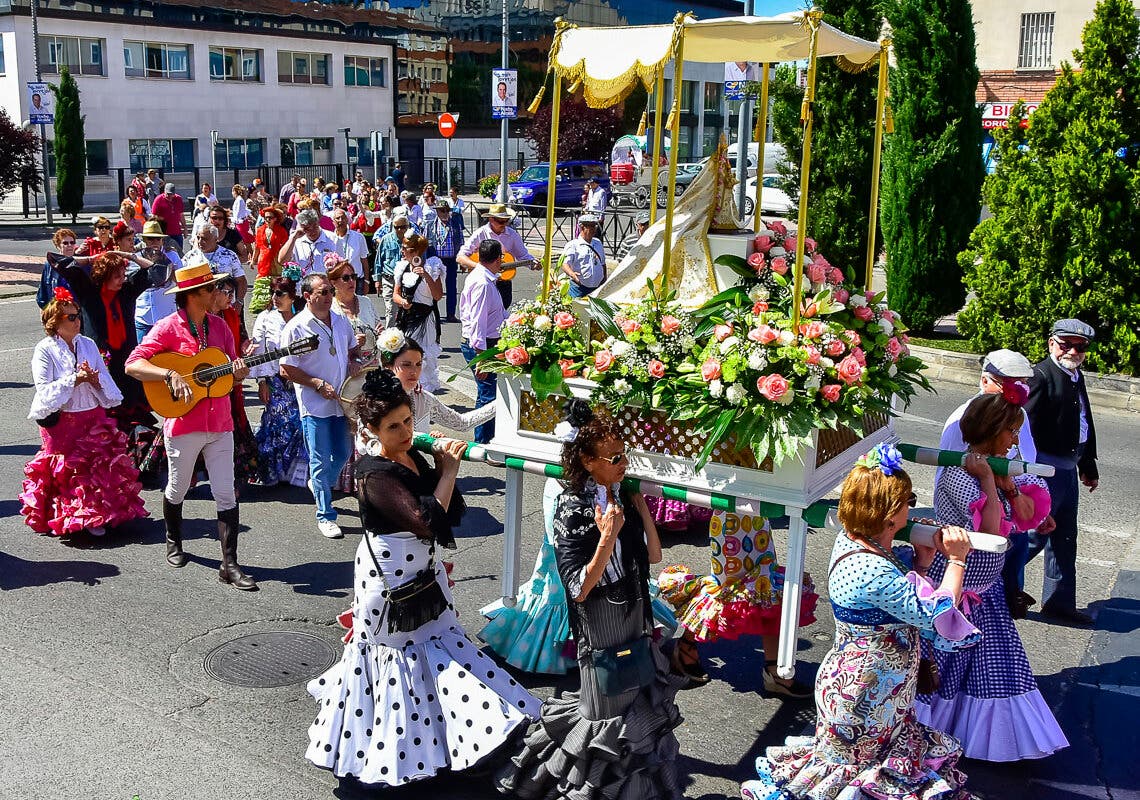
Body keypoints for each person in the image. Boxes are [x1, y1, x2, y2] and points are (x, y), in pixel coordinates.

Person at [305, 369, 537, 785]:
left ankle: (444, 740)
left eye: (408, 421)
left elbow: (454, 511)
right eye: (393, 426)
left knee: (439, 647)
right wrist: (448, 472)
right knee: (397, 659)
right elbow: (427, 522)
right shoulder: (373, 474)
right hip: (388, 579)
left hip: (424, 570)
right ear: (372, 430)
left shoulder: (413, 456)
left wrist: (439, 465)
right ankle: (393, 755)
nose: (405, 431)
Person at [740, 444, 979, 800]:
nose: (912, 507)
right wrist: (957, 561)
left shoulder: (858, 543)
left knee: (863, 780)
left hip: (877, 689)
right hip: (864, 695)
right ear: (888, 517)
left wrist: (923, 563)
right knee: (857, 782)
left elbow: (903, 601)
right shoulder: (872, 568)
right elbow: (937, 613)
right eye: (908, 500)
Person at [497, 400, 683, 798]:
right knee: (604, 707)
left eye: (624, 454)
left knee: (633, 697)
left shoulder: (618, 496)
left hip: (633, 612)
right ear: (586, 459)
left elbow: (653, 556)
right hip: (600, 619)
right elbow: (578, 587)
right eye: (614, 457)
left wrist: (641, 510)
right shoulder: (572, 505)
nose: (623, 463)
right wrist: (607, 537)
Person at [915, 392, 1068, 762]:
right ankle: (921, 735)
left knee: (999, 669)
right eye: (1012, 431)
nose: (1016, 440)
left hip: (987, 590)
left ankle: (981, 739)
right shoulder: (958, 473)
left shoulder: (1004, 465)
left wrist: (1009, 486)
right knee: (940, 672)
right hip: (952, 586)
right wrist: (988, 480)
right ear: (992, 429)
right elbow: (993, 534)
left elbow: (1031, 513)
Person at [125, 259, 256, 590]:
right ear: (195, 294)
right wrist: (168, 373)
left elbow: (231, 371)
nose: (219, 292)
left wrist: (240, 371)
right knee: (178, 488)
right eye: (213, 288)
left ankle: (230, 565)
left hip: (221, 423)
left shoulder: (221, 326)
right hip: (185, 424)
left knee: (226, 492)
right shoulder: (168, 327)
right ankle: (173, 540)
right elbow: (132, 364)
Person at [20, 288, 148, 538]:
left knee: (96, 469)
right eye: (70, 317)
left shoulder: (87, 344)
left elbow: (108, 385)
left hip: (92, 415)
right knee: (68, 471)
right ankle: (65, 516)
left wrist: (95, 380)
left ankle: (97, 515)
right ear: (54, 323)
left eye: (77, 315)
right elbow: (44, 391)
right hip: (63, 422)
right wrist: (75, 380)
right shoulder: (44, 350)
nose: (77, 321)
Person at [658, 509, 818, 695]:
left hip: (757, 515)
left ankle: (775, 671)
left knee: (766, 587)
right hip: (729, 519)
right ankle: (686, 643)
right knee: (726, 593)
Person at [937, 348, 1046, 619]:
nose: (1017, 392)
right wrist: (988, 478)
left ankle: (1013, 597)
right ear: (986, 381)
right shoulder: (963, 421)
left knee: (1012, 580)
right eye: (1009, 385)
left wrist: (1012, 488)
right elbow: (988, 531)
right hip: (967, 565)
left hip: (993, 563)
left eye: (1022, 385)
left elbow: (1026, 461)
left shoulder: (1015, 417)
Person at [1024, 319, 1100, 626]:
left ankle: (1059, 603)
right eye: (1065, 344)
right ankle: (990, 587)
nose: (1072, 351)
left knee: (1065, 538)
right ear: (1051, 344)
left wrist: (1088, 464)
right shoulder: (1041, 375)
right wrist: (1026, 472)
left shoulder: (1074, 376)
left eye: (1079, 347)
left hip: (1068, 468)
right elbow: (1022, 427)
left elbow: (1084, 421)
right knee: (1033, 536)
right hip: (1044, 468)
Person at [280, 273, 361, 539]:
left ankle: (320, 484)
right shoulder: (297, 326)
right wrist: (315, 383)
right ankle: (325, 515)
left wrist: (354, 362)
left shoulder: (339, 320)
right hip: (315, 404)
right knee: (318, 457)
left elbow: (350, 351)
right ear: (307, 296)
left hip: (340, 400)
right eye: (322, 292)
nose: (328, 297)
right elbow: (286, 368)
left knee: (342, 452)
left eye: (329, 292)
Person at [50, 251, 151, 431]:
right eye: (116, 276)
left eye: (123, 274)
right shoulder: (89, 292)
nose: (122, 279)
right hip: (99, 364)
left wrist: (130, 256)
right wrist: (91, 259)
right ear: (104, 275)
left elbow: (157, 269)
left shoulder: (127, 291)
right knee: (101, 426)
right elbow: (57, 260)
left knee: (129, 422)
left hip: (125, 364)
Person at [250, 270, 308, 487]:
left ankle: (291, 472)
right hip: (275, 380)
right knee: (277, 423)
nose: (275, 297)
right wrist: (262, 381)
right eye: (273, 292)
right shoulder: (265, 318)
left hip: (298, 381)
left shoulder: (302, 318)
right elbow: (260, 351)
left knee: (297, 424)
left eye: (281, 293)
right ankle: (271, 471)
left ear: (292, 296)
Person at [382, 333, 495, 435]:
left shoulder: (423, 398)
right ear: (388, 366)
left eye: (418, 364)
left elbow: (462, 423)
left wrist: (498, 405)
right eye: (406, 364)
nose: (414, 371)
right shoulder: (375, 401)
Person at [210, 275, 259, 489]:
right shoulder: (198, 316)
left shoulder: (232, 315)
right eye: (227, 293)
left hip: (229, 383)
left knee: (231, 431)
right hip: (203, 384)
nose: (233, 298)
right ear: (214, 293)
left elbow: (242, 339)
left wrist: (246, 349)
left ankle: (233, 481)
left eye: (234, 293)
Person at [458, 239, 506, 444]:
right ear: (497, 260)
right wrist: (482, 358)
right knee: (488, 395)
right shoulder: (482, 283)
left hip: (486, 344)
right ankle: (483, 442)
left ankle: (484, 439)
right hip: (482, 345)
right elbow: (478, 321)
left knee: (486, 392)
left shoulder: (483, 277)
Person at [391, 234, 444, 392]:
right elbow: (395, 294)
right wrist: (402, 302)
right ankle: (408, 389)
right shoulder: (401, 267)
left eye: (405, 249)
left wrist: (425, 275)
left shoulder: (432, 266)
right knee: (405, 354)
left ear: (415, 252)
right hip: (407, 318)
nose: (402, 251)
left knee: (424, 355)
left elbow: (438, 296)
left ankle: (424, 392)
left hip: (426, 320)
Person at [457, 203, 532, 310]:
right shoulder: (480, 233)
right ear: (491, 219)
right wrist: (480, 267)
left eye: (506, 221)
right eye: (500, 221)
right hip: (483, 282)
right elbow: (460, 257)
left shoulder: (512, 235)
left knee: (500, 314)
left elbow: (523, 255)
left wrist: (533, 264)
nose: (504, 224)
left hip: (503, 283)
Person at [129, 220, 182, 342]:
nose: (155, 242)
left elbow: (181, 280)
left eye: (158, 239)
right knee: (143, 354)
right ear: (144, 240)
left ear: (162, 240)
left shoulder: (172, 255)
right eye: (150, 239)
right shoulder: (136, 257)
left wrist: (167, 267)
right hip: (143, 316)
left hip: (167, 316)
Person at [422, 198, 465, 322]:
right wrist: (424, 261)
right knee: (433, 287)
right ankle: (434, 314)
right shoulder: (430, 225)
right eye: (442, 211)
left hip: (451, 260)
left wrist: (462, 261)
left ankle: (450, 314)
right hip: (435, 260)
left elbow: (461, 243)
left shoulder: (455, 225)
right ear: (437, 212)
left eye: (446, 211)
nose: (445, 213)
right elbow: (424, 244)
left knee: (452, 288)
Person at [184, 223, 247, 305]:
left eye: (204, 239)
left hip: (224, 306)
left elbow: (241, 280)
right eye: (198, 238)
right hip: (199, 306)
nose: (200, 242)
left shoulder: (229, 255)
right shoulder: (190, 256)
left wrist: (239, 302)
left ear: (216, 239)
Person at [249, 204, 291, 313]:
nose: (268, 220)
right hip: (263, 260)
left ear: (275, 219)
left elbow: (286, 247)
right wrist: (253, 260)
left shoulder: (281, 230)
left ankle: (277, 305)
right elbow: (257, 247)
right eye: (266, 217)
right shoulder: (260, 230)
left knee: (277, 283)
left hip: (276, 261)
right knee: (264, 283)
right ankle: (264, 308)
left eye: (270, 217)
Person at [372, 211, 412, 324]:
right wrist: (377, 280)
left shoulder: (413, 240)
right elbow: (379, 261)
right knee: (391, 310)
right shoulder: (386, 239)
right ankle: (389, 338)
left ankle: (404, 337)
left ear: (408, 227)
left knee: (406, 309)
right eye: (396, 227)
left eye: (403, 227)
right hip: (389, 279)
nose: (399, 230)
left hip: (407, 280)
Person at [558, 212, 606, 298]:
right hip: (579, 288)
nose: (593, 229)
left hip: (597, 288)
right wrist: (572, 274)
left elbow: (602, 263)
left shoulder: (598, 243)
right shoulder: (573, 245)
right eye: (590, 226)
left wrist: (604, 279)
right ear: (582, 227)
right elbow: (565, 264)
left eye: (595, 226)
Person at [37, 228, 88, 309]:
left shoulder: (81, 264)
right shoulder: (50, 265)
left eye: (72, 243)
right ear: (58, 246)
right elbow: (43, 293)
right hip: (57, 311)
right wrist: (46, 311)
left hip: (77, 311)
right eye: (65, 243)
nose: (69, 246)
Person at [279, 208, 336, 276]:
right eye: (307, 229)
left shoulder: (332, 238)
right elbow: (282, 261)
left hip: (326, 284)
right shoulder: (296, 240)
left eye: (315, 227)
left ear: (318, 223)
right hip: (303, 284)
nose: (312, 232)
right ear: (301, 228)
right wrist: (293, 238)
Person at [329, 207, 370, 295]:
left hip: (357, 280)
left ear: (347, 220)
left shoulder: (358, 237)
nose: (341, 220)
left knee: (358, 307)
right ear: (333, 222)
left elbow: (364, 261)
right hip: (338, 281)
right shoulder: (329, 239)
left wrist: (367, 281)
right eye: (337, 218)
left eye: (343, 218)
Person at [151, 184, 186, 251]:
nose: (170, 196)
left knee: (179, 252)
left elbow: (181, 215)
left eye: (171, 194)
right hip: (164, 233)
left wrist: (185, 228)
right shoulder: (158, 200)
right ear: (164, 192)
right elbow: (153, 217)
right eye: (168, 194)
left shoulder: (178, 199)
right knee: (166, 252)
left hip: (177, 232)